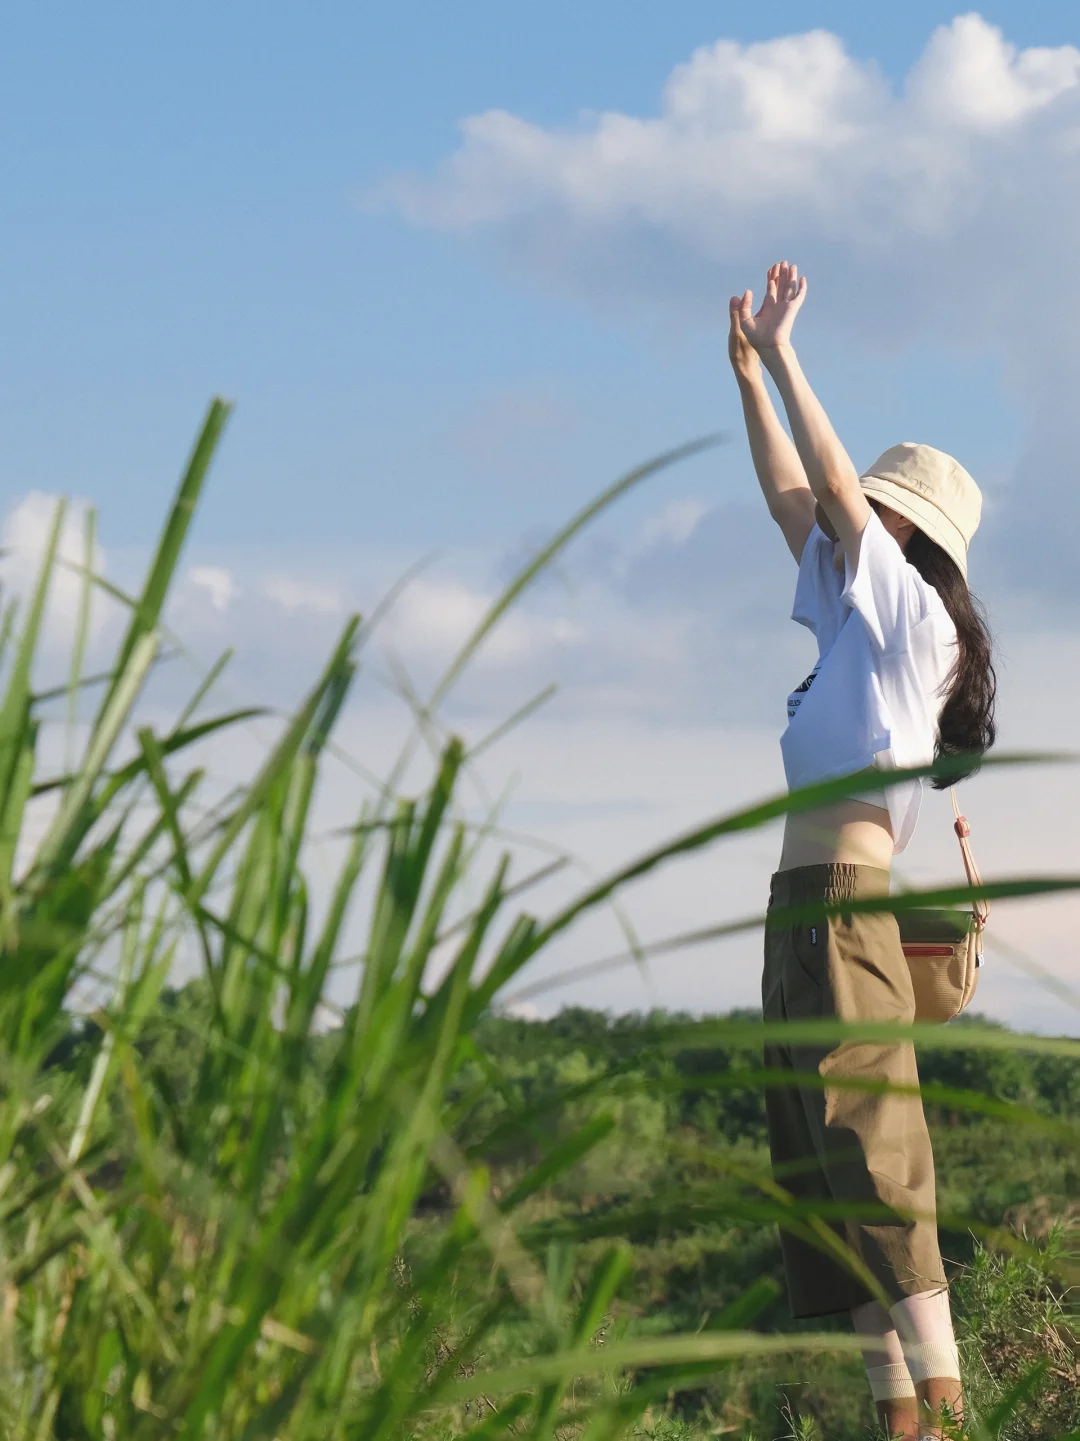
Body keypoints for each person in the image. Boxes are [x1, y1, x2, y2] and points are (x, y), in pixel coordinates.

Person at [728, 262, 996, 1441]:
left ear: (907, 536)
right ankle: (900, 1418)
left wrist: (789, 355)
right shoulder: (850, 612)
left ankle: (948, 1401)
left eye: (874, 512)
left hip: (843, 902)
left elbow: (829, 482)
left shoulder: (912, 621)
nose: (847, 520)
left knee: (869, 1147)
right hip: (796, 907)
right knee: (819, 1172)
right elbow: (796, 497)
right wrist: (745, 375)